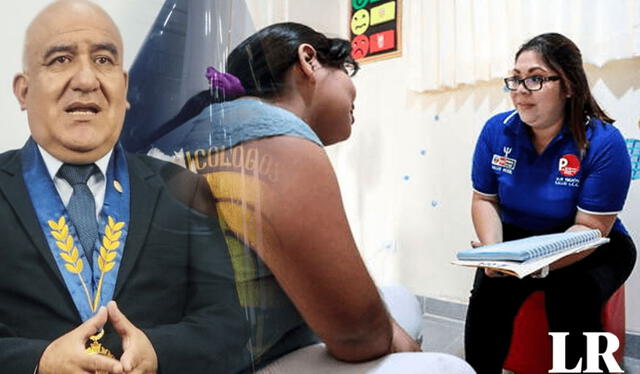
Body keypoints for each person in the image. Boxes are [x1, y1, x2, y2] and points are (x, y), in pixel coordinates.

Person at [153, 22, 475, 373]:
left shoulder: (212, 126)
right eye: (347, 70)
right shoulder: (272, 134)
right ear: (309, 60)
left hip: (190, 347)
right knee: (448, 368)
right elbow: (358, 336)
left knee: (401, 300)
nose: (354, 92)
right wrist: (407, 351)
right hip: (236, 360)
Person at [0, 1, 247, 373]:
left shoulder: (183, 189)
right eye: (60, 60)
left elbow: (227, 329)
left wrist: (157, 352)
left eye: (103, 60)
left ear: (125, 86)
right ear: (23, 90)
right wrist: (37, 362)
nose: (86, 80)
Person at [465, 32, 636, 374]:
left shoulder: (604, 143)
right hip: (521, 241)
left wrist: (536, 266)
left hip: (594, 243)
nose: (519, 88)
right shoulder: (496, 131)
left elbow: (590, 228)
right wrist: (494, 252)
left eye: (536, 78)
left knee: (572, 297)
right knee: (488, 295)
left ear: (569, 86)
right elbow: (484, 200)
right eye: (515, 78)